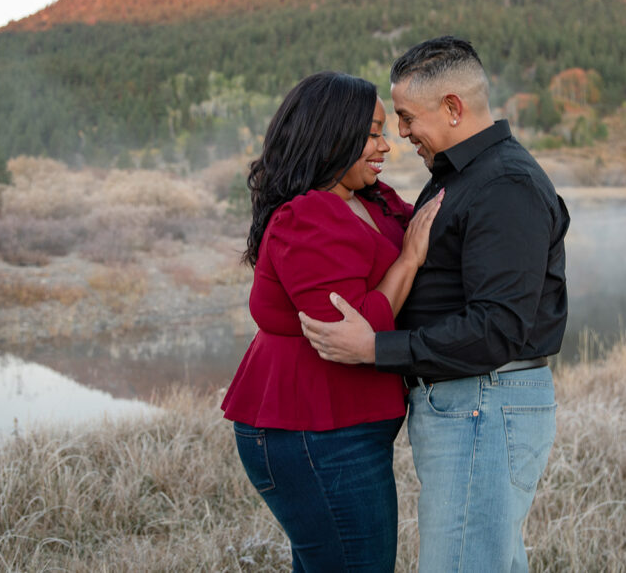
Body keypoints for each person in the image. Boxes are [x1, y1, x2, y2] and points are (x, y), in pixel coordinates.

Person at [299, 37, 570, 572]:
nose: (400, 133)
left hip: (483, 404)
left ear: (452, 107)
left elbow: (498, 328)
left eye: (406, 116)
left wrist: (375, 348)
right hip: (473, 405)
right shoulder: (465, 177)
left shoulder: (504, 184)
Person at [220, 71, 443, 572]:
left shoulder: (371, 200)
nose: (386, 146)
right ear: (331, 134)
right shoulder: (306, 218)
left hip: (341, 430)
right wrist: (407, 262)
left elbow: (430, 228)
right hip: (311, 432)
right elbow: (353, 332)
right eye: (371, 134)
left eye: (384, 131)